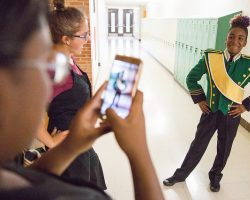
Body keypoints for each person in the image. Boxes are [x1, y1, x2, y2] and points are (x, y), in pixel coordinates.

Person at [0, 1, 164, 200]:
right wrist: (140, 154)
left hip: (74, 140)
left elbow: (31, 179)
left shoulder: (11, 176)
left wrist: (71, 145)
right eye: (38, 60)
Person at [163, 14, 250, 192]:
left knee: (224, 149)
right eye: (231, 36)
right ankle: (180, 175)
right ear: (226, 38)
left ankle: (215, 178)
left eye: (240, 38)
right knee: (197, 145)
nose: (235, 41)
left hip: (231, 115)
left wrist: (244, 106)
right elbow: (192, 78)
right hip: (210, 111)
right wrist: (200, 99)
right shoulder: (211, 58)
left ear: (245, 42)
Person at [37, 0, 107, 189]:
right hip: (66, 147)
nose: (88, 39)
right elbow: (25, 113)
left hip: (79, 140)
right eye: (84, 35)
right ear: (66, 39)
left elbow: (73, 98)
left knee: (92, 187)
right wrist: (50, 141)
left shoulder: (68, 59)